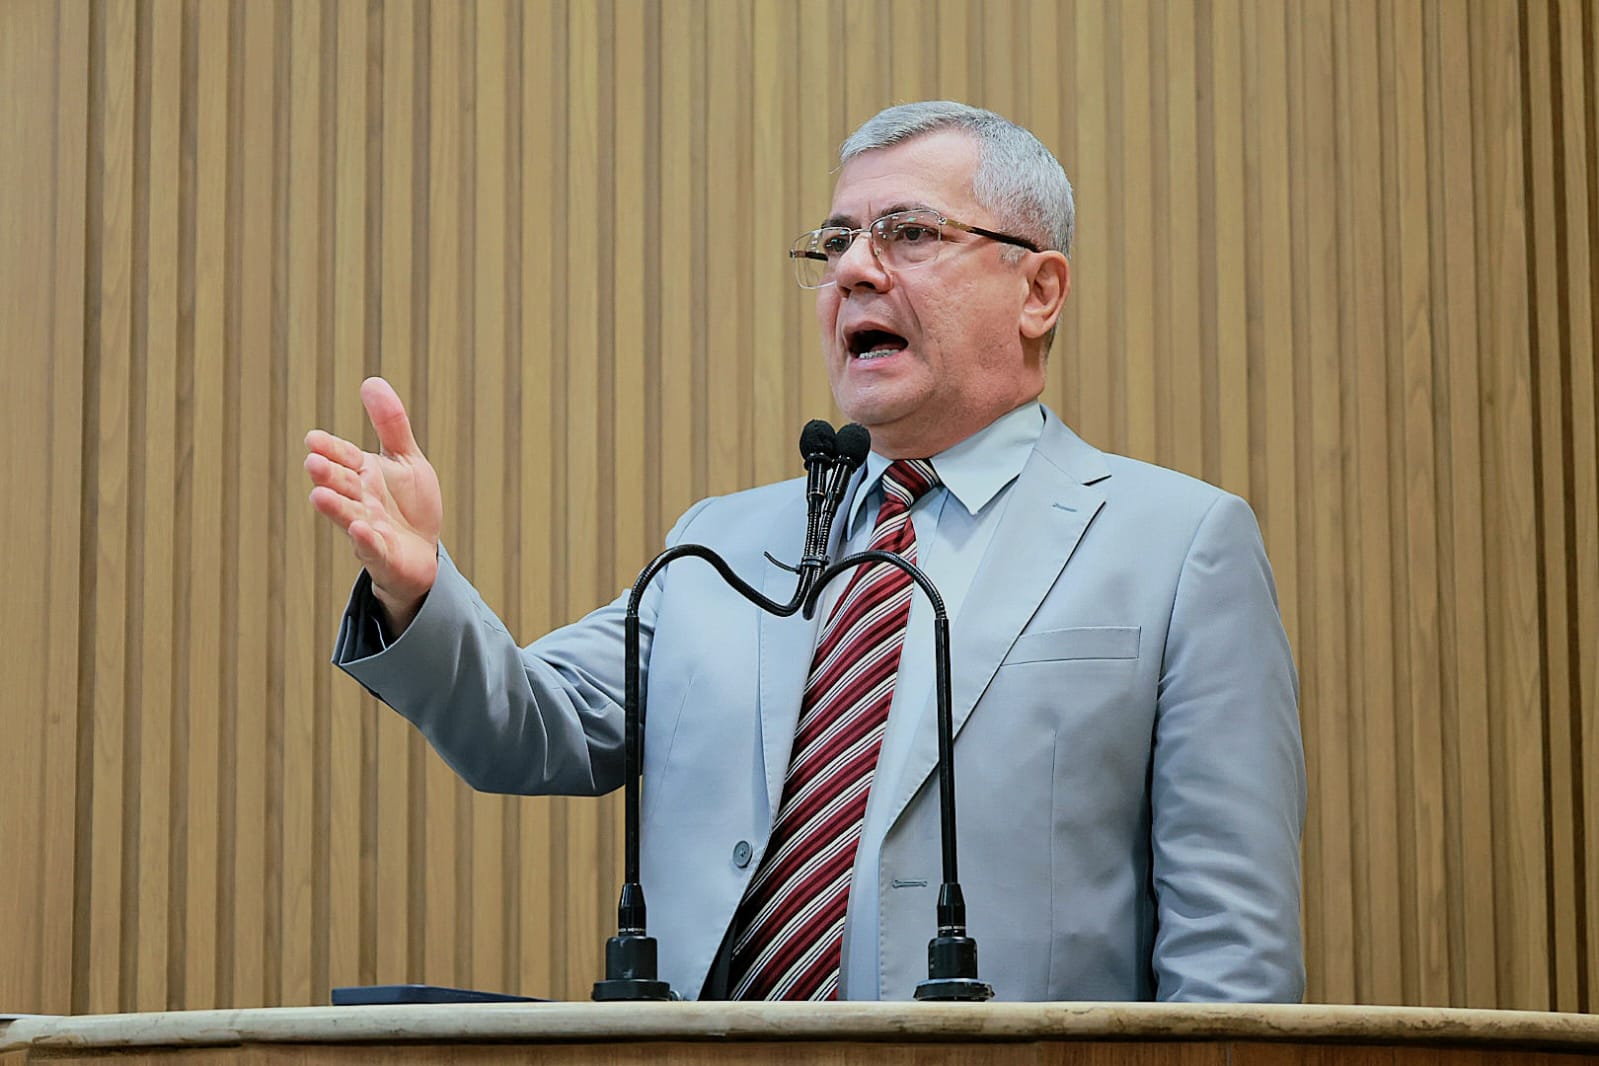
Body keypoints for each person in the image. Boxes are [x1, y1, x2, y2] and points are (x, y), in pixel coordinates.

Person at [305, 101, 1306, 1002]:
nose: (854, 270)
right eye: (836, 242)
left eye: (909, 233)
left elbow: (1231, 956)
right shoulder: (716, 545)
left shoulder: (1177, 547)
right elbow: (533, 727)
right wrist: (420, 590)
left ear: (1038, 291)